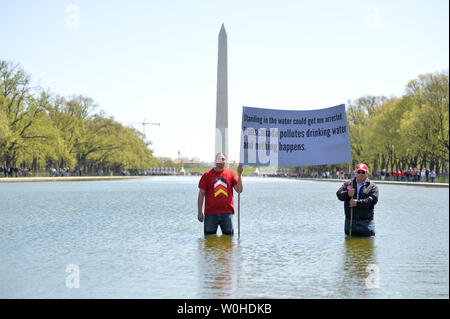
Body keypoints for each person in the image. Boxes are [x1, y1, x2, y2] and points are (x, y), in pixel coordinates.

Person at [197, 152, 243, 235]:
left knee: (228, 241)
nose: (221, 161)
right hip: (210, 214)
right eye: (219, 159)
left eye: (223, 159)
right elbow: (201, 194)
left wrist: (239, 174)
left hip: (227, 213)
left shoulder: (231, 174)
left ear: (225, 161)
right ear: (215, 161)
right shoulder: (207, 175)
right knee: (209, 240)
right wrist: (199, 212)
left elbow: (239, 190)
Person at [336, 163, 379, 237]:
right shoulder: (348, 184)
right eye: (359, 172)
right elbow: (339, 194)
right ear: (355, 173)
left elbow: (373, 200)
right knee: (350, 246)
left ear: (367, 173)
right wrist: (347, 194)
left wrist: (357, 203)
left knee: (367, 245)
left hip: (366, 224)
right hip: (350, 222)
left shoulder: (373, 186)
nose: (360, 174)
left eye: (363, 172)